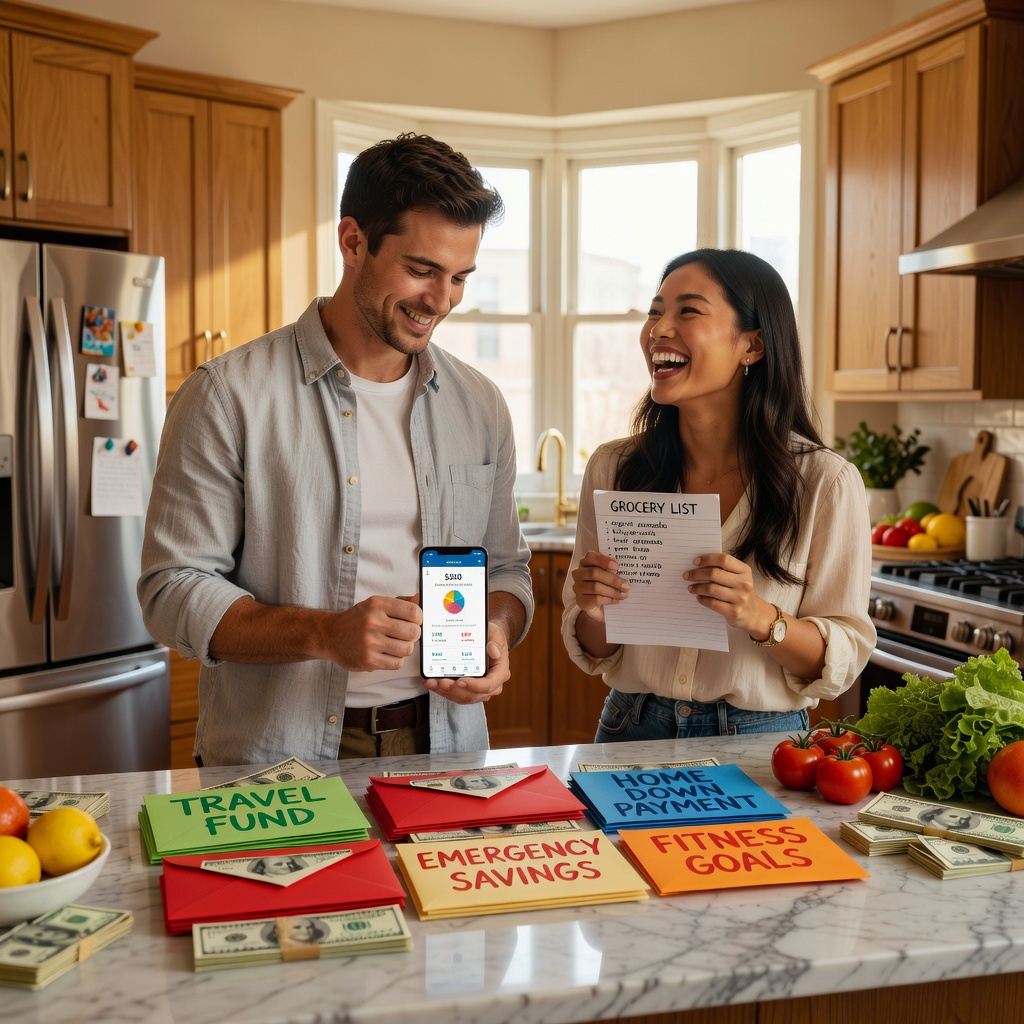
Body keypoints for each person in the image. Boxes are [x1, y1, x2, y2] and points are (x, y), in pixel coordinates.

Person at [139, 133, 533, 767]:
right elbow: (171, 590)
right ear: (354, 242)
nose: (442, 300)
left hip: (444, 747)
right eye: (422, 270)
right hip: (277, 758)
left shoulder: (479, 405)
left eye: (459, 277)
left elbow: (508, 573)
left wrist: (496, 630)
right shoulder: (228, 395)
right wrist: (326, 634)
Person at [562, 248, 875, 742]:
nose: (659, 328)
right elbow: (595, 647)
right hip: (631, 727)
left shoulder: (825, 482)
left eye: (687, 310)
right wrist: (596, 611)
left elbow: (843, 657)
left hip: (761, 740)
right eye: (655, 311)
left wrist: (758, 616)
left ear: (752, 345)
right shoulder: (614, 468)